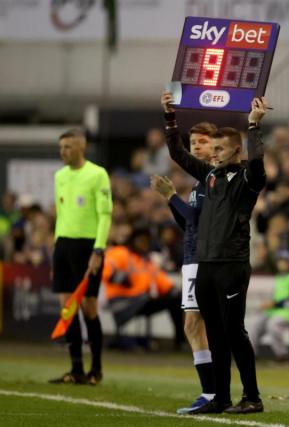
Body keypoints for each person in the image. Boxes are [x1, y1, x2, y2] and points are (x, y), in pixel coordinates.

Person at [162, 91, 267, 414]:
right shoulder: (209, 176)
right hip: (206, 265)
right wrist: (170, 118)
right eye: (213, 148)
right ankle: (220, 398)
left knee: (234, 331)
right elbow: (178, 154)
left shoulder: (247, 178)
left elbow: (259, 164)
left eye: (220, 149)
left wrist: (253, 127)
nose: (214, 154)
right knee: (217, 334)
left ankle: (252, 397)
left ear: (236, 150)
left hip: (232, 264)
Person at [150, 121, 217, 414]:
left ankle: (214, 390)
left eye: (202, 142)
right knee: (196, 325)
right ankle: (213, 390)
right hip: (192, 257)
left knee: (200, 325)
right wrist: (172, 200)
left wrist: (170, 196)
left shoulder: (214, 180)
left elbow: (196, 220)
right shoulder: (200, 184)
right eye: (193, 144)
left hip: (203, 259)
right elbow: (187, 221)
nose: (197, 148)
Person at [49, 128, 112, 385]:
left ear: (81, 147)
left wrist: (98, 250)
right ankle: (76, 369)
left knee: (89, 308)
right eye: (61, 147)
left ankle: (95, 368)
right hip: (63, 245)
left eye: (68, 147)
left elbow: (105, 215)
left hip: (88, 247)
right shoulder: (59, 176)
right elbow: (61, 215)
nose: (63, 152)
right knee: (68, 308)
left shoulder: (97, 174)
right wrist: (56, 250)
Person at [102, 226, 183, 349]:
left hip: (142, 300)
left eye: (146, 241)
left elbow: (160, 279)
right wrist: (120, 278)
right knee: (151, 298)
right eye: (141, 240)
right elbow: (105, 270)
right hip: (121, 300)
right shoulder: (120, 253)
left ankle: (180, 341)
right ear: (133, 240)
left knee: (176, 299)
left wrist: (172, 289)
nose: (143, 244)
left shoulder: (145, 260)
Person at [249, 248, 289, 362]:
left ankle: (283, 357)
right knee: (255, 324)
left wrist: (275, 304)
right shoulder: (280, 277)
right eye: (280, 260)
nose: (281, 263)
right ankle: (249, 356)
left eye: (284, 261)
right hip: (277, 311)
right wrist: (271, 304)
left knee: (273, 325)